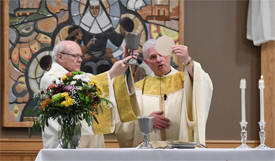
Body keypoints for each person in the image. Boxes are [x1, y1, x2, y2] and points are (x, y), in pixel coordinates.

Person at [116, 39, 213, 147]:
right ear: (147, 62)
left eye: (162, 55)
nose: (159, 59)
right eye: (153, 57)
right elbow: (124, 121)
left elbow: (203, 85)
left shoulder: (187, 80)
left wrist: (187, 61)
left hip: (181, 152)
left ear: (169, 55)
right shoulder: (139, 88)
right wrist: (146, 122)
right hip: (150, 154)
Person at [40, 40, 134, 148]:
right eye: (75, 56)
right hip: (65, 145)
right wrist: (111, 73)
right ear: (60, 57)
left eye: (81, 56)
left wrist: (123, 66)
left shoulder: (80, 75)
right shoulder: (51, 77)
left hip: (88, 143)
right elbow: (76, 91)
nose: (80, 60)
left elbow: (101, 83)